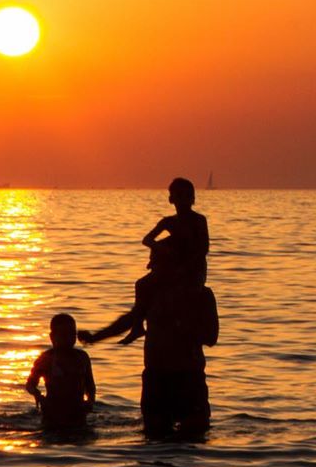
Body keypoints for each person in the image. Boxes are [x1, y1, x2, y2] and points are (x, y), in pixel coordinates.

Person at [79, 243, 218, 438]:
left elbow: (211, 337)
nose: (152, 271)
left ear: (176, 267)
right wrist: (96, 337)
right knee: (154, 437)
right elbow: (131, 318)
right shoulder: (149, 289)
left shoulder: (201, 296)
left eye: (157, 265)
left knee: (194, 434)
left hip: (189, 376)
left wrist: (180, 324)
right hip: (156, 375)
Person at [26, 313, 97, 429]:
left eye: (72, 334)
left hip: (78, 413)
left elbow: (90, 386)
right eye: (64, 335)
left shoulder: (82, 357)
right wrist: (38, 396)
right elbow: (30, 384)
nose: (69, 339)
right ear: (52, 337)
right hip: (52, 414)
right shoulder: (46, 359)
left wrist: (90, 401)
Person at [142, 177, 209, 286]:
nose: (183, 200)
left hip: (194, 270)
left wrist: (185, 267)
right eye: (179, 195)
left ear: (192, 198)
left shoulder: (199, 220)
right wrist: (162, 249)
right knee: (142, 284)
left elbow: (203, 249)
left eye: (186, 196)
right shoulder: (168, 221)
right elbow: (146, 240)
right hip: (171, 266)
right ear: (171, 199)